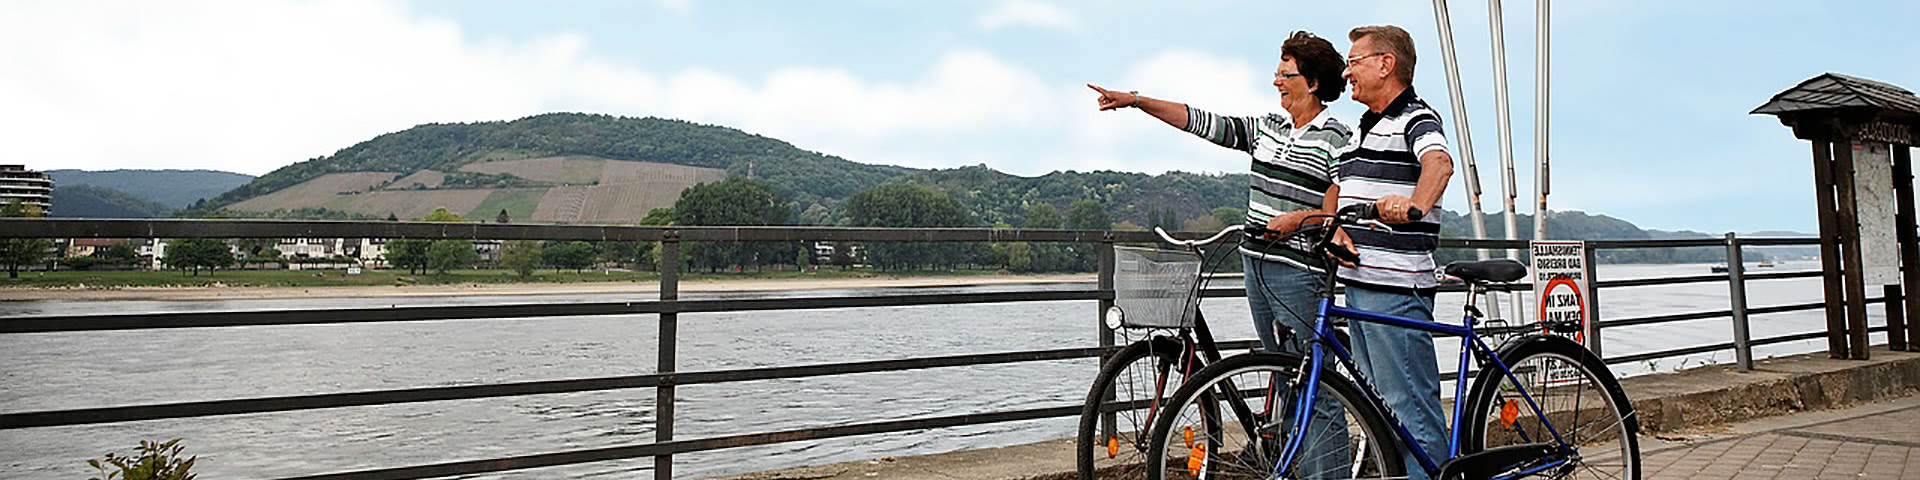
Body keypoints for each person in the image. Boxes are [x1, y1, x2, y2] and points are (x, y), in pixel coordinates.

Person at [1089, 31, 1355, 479]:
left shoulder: (1338, 138)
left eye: (1286, 74)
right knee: (1285, 377)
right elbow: (1200, 120)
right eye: (1277, 72)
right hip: (1257, 266)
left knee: (1316, 386)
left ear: (1312, 82)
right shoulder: (1268, 128)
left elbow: (1336, 216)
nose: (1277, 82)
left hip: (1300, 274)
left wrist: (1298, 220)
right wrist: (1136, 101)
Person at [1329, 24, 1457, 480]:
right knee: (1382, 409)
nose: (1347, 74)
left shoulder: (1416, 118)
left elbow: (1439, 162)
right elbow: (1338, 188)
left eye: (1354, 62)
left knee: (1410, 408)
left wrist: (1415, 205)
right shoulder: (1363, 129)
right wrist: (1335, 227)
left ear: (1386, 64)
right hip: (1360, 284)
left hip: (1396, 287)